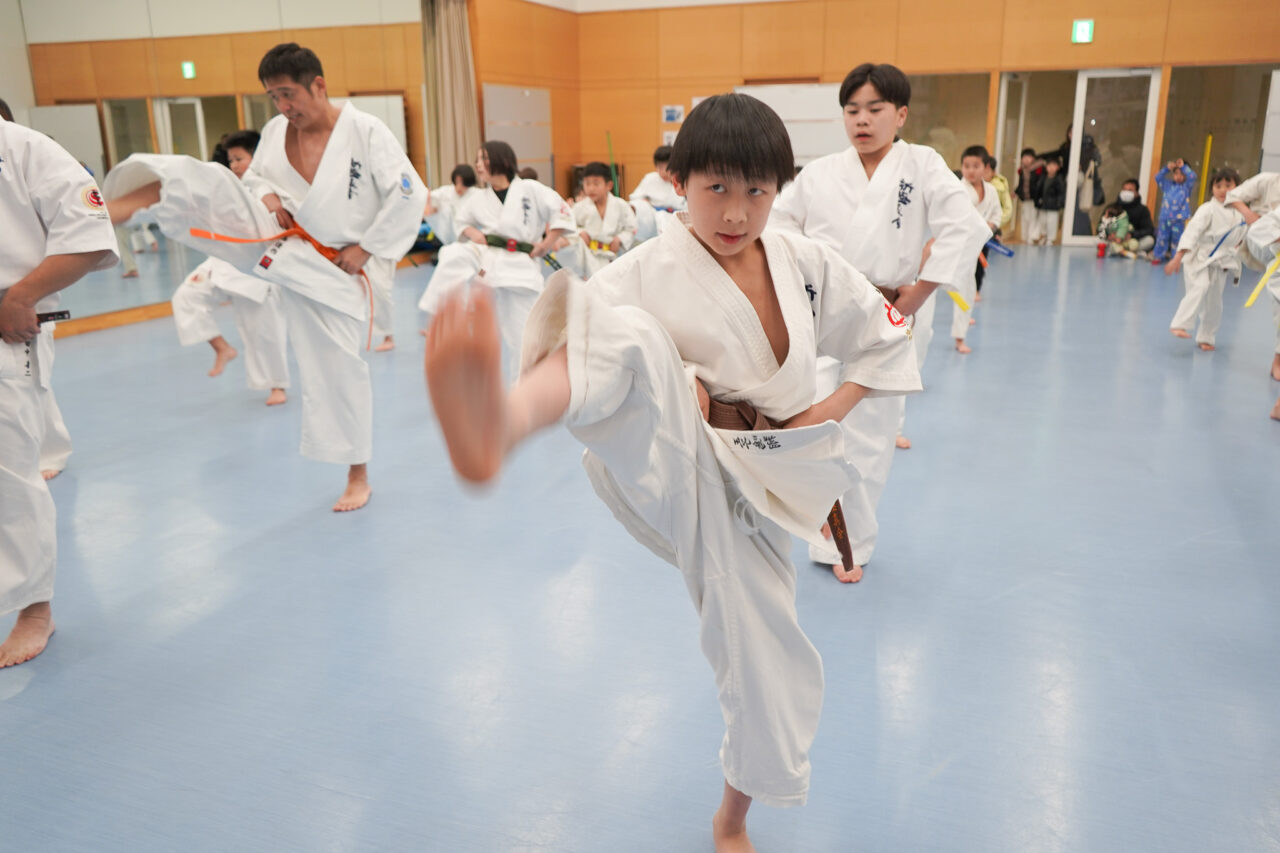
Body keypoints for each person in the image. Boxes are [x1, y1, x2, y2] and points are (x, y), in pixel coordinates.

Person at [423, 93, 921, 853]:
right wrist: (681, 379)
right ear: (678, 182)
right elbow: (585, 342)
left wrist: (825, 410)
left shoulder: (804, 262)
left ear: (778, 190)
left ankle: (732, 817)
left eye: (756, 190)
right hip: (683, 458)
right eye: (715, 187)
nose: (736, 211)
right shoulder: (648, 268)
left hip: (775, 479)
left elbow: (885, 337)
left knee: (767, 671)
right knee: (624, 335)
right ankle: (500, 425)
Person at [104, 43, 427, 512]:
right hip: (284, 238)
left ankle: (357, 474)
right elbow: (254, 179)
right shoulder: (276, 132)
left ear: (319, 85)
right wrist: (268, 195)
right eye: (273, 97)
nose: (282, 106)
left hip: (339, 267)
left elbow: (408, 195)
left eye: (288, 94)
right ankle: (116, 208)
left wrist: (368, 248)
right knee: (217, 186)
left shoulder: (365, 131)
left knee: (338, 370)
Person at [770, 62, 989, 577]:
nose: (862, 120)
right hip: (824, 314)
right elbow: (777, 225)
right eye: (852, 110)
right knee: (812, 427)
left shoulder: (922, 164)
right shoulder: (820, 173)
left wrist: (920, 292)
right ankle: (823, 522)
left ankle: (849, 546)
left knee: (869, 438)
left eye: (874, 109)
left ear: (901, 114)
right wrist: (805, 277)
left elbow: (964, 226)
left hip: (888, 313)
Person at [1, 108, 119, 667]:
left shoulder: (26, 150)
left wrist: (22, 295)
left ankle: (34, 609)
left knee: (8, 473)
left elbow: (90, 237)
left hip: (5, 328)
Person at [417, 140, 573, 380]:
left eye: (484, 159)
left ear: (503, 160)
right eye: (478, 160)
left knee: (523, 338)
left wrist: (546, 244)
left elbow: (562, 212)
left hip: (521, 269)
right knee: (454, 254)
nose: (478, 165)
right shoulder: (479, 198)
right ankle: (440, 316)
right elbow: (461, 222)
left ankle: (524, 388)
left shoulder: (530, 189)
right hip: (489, 263)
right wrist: (474, 234)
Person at [168, 129, 290, 404]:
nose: (234, 165)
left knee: (263, 330)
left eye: (239, 159)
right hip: (224, 259)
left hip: (258, 266)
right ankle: (222, 347)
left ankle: (277, 386)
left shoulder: (270, 189)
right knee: (187, 296)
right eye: (231, 160)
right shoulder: (228, 187)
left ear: (256, 157)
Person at [1166, 168, 1243, 351]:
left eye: (1228, 185)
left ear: (1237, 188)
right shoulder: (1207, 209)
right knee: (1200, 287)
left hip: (1221, 261)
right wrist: (1178, 257)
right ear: (1212, 189)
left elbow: (1242, 238)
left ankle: (1206, 337)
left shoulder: (1240, 213)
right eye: (1218, 186)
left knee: (1214, 302)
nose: (1223, 190)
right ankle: (1179, 324)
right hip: (1198, 258)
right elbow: (1192, 233)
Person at [1225, 172, 1280, 383]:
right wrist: (1248, 214)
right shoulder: (1267, 181)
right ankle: (1278, 360)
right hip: (1263, 238)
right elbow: (1233, 196)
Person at [953, 145, 1001, 354]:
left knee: (967, 288)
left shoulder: (991, 191)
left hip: (973, 249)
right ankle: (960, 331)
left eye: (976, 166)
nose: (970, 170)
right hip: (955, 247)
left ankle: (961, 331)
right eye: (966, 166)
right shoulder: (958, 190)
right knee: (960, 288)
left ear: (986, 167)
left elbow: (996, 215)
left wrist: (989, 227)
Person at [566, 161, 637, 277]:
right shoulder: (579, 207)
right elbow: (568, 226)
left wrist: (620, 239)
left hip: (614, 256)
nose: (591, 188)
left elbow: (631, 228)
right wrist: (580, 232)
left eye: (596, 183)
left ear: (609, 185)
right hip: (587, 257)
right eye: (587, 183)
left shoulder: (621, 205)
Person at [1152, 159, 1197, 263]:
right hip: (1165, 218)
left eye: (1182, 174)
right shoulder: (1167, 185)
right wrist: (1167, 169)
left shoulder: (1186, 186)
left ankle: (1175, 258)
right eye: (1176, 174)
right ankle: (1158, 256)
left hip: (1179, 219)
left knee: (1177, 239)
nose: (1179, 176)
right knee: (1162, 238)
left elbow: (1192, 176)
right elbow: (1157, 177)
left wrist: (1183, 167)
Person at [424, 163, 480, 246]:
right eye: (457, 182)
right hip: (448, 237)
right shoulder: (447, 191)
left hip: (469, 237)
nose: (459, 187)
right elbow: (430, 198)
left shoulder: (476, 194)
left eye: (463, 183)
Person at [1114, 178, 1156, 253]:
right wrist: (1112, 234)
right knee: (1096, 240)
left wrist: (1131, 234)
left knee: (1149, 240)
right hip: (1115, 239)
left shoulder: (1143, 210)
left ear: (1136, 193)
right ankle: (1121, 251)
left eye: (1130, 190)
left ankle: (1125, 251)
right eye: (1124, 189)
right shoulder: (1113, 208)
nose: (1126, 192)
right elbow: (1102, 225)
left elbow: (1149, 230)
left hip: (1133, 242)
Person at [1015, 148, 1044, 243]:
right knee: (1026, 217)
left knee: (1033, 217)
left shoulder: (1038, 169)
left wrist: (1040, 196)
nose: (1026, 159)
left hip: (1035, 198)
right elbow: (1021, 184)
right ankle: (1026, 236)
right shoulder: (1022, 170)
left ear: (1033, 158)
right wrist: (1016, 192)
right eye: (1024, 157)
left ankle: (1031, 237)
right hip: (1025, 198)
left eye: (1029, 157)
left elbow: (1040, 184)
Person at [1035, 157, 1066, 245]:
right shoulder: (1043, 178)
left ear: (1058, 167)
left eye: (1054, 166)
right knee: (1043, 221)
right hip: (1043, 204)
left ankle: (1050, 238)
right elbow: (1038, 191)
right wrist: (1037, 201)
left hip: (1053, 205)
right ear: (1046, 167)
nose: (1051, 168)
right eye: (1049, 166)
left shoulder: (1059, 179)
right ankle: (1044, 236)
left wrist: (1059, 203)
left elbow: (1061, 192)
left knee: (1052, 222)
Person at [983, 154, 1013, 234]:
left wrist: (995, 223)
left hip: (992, 227)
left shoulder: (999, 187)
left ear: (993, 172)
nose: (983, 174)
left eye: (986, 171)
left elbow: (1008, 209)